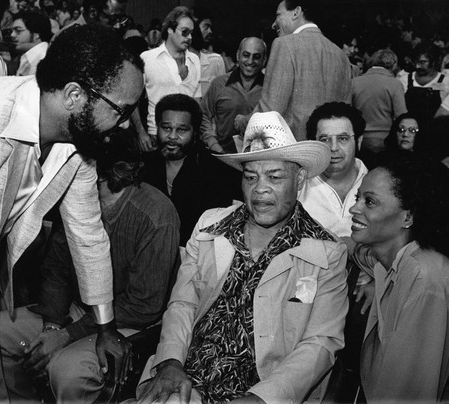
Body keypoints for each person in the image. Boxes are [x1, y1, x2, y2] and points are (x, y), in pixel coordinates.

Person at [0, 24, 143, 402]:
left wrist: (105, 328)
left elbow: (87, 234)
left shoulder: (77, 145)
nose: (124, 125)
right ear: (74, 95)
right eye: (122, 110)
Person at [136, 111, 349, 404]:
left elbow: (321, 343)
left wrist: (262, 398)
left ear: (299, 179)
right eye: (251, 177)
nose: (260, 189)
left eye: (275, 177)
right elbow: (183, 303)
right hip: (187, 380)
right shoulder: (209, 227)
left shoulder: (326, 251)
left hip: (264, 389)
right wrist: (170, 361)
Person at [0, 131, 181, 403]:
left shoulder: (156, 214)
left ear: (98, 172)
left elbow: (143, 306)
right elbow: (57, 269)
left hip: (128, 321)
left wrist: (68, 335)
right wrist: (51, 329)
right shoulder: (74, 199)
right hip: (77, 309)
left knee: (68, 372)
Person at [350, 153, 449, 402]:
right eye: (357, 197)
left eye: (369, 202)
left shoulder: (423, 278)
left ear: (408, 217)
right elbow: (357, 252)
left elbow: (408, 394)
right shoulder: (389, 258)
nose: (354, 208)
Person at [234, 0, 352, 141]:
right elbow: (346, 114)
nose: (273, 24)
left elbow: (269, 112)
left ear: (296, 12)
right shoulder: (341, 55)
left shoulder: (283, 44)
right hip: (328, 153)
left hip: (291, 152)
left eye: (278, 15)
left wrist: (243, 122)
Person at [141, 93, 242, 246]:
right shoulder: (144, 167)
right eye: (166, 128)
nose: (172, 136)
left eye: (182, 130)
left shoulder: (214, 170)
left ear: (195, 133)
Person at [299, 102, 368, 251]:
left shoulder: (376, 184)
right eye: (325, 140)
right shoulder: (298, 187)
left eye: (343, 138)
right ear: (313, 144)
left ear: (359, 141)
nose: (334, 148)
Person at [137, 6, 201, 151]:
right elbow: (132, 101)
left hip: (186, 137)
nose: (189, 37)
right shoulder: (148, 58)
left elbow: (197, 102)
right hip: (156, 135)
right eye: (185, 32)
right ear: (170, 30)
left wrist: (196, 134)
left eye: (191, 33)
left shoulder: (195, 60)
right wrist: (141, 133)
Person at [200, 37, 267, 154]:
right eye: (246, 55)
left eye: (256, 57)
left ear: (264, 60)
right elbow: (203, 115)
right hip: (223, 156)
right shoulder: (219, 83)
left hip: (258, 160)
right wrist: (212, 143)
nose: (250, 61)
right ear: (238, 55)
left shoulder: (270, 88)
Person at [352, 49, 407, 154]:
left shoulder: (355, 82)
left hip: (359, 139)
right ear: (394, 65)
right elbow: (401, 115)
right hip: (385, 140)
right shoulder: (395, 84)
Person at [11, 10, 52, 76]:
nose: (12, 35)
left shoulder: (44, 59)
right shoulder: (28, 58)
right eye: (12, 31)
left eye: (18, 30)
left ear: (37, 34)